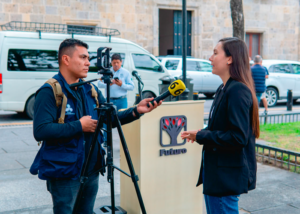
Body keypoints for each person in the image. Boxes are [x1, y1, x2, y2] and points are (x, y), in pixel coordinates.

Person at [30, 39, 161, 214]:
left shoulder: (89, 89)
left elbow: (108, 119)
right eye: (83, 57)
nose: (88, 62)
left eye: (89, 58)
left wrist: (136, 110)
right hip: (65, 172)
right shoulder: (50, 91)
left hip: (91, 168)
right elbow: (41, 131)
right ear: (66, 59)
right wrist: (79, 126)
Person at [181, 37, 259, 214]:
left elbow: (238, 137)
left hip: (225, 178)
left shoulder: (238, 90)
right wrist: (200, 133)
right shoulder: (223, 88)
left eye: (215, 53)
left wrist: (202, 136)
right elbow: (221, 128)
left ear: (230, 59)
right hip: (216, 175)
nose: (210, 58)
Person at [98, 53, 134, 146]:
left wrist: (121, 84)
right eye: (114, 63)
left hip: (122, 100)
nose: (116, 65)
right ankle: (106, 140)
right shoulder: (107, 71)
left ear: (121, 62)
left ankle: (124, 141)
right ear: (111, 62)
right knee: (107, 120)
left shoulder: (126, 73)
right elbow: (99, 84)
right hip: (109, 100)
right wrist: (108, 83)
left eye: (118, 62)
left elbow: (131, 87)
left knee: (123, 119)